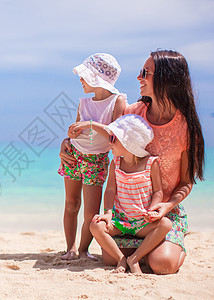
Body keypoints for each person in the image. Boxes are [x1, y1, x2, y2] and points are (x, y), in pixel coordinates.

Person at [60, 49, 205, 274]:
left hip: (160, 214)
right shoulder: (132, 113)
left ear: (167, 79)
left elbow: (186, 182)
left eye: (146, 72)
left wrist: (165, 205)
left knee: (162, 265)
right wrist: (66, 143)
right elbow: (103, 138)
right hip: (127, 212)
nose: (139, 77)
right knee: (109, 259)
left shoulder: (185, 127)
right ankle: (144, 252)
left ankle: (169, 246)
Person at [58, 53, 127, 260]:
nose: (81, 80)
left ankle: (83, 250)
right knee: (71, 204)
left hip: (95, 160)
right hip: (73, 155)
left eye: (85, 76)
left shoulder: (117, 101)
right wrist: (68, 138)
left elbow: (116, 135)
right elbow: (76, 132)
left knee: (90, 212)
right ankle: (70, 248)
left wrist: (91, 124)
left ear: (97, 78)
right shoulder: (84, 102)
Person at [90, 114, 172, 273]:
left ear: (129, 142)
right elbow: (110, 190)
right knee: (95, 225)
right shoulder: (116, 162)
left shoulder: (151, 163)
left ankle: (134, 258)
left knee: (166, 224)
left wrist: (153, 210)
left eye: (114, 138)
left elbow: (158, 192)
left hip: (142, 222)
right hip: (120, 221)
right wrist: (107, 213)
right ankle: (121, 259)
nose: (109, 141)